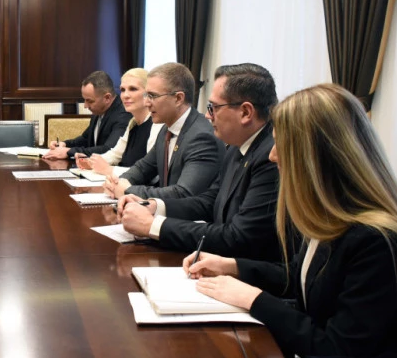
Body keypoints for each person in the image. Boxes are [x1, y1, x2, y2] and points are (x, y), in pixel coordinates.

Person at [183, 83, 397, 358]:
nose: (272, 155)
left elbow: (340, 350)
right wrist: (232, 266)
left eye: (281, 145)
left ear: (316, 155)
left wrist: (254, 299)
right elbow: (300, 276)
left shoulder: (376, 240)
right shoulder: (331, 214)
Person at [119, 63, 281, 261]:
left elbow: (238, 237)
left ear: (246, 112)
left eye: (213, 107)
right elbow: (210, 201)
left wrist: (153, 226)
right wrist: (155, 206)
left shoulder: (271, 157)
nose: (207, 115)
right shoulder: (236, 146)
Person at [104, 63, 224, 200]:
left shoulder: (201, 137)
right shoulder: (167, 129)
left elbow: (183, 193)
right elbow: (143, 168)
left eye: (152, 96)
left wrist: (127, 190)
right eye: (146, 95)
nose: (147, 103)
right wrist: (118, 182)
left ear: (178, 98)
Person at [75, 68, 163, 177]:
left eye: (133, 89)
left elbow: (150, 172)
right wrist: (91, 162)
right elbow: (115, 154)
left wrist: (109, 170)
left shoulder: (157, 125)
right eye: (122, 90)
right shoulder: (132, 123)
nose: (125, 95)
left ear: (148, 93)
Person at [43, 71, 131, 160]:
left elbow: (109, 149)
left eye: (90, 101)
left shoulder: (123, 115)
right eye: (84, 100)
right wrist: (64, 144)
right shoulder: (98, 111)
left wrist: (69, 151)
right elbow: (85, 139)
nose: (85, 106)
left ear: (107, 98)